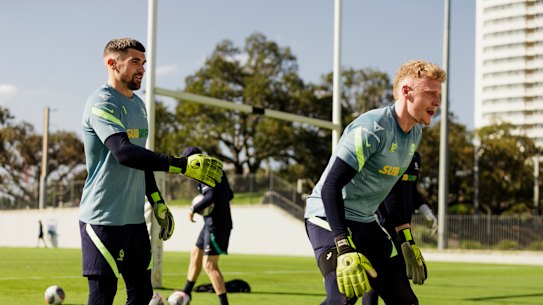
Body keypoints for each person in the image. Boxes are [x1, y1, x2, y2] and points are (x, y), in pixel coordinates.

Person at [79, 38, 223, 305]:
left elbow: (141, 161)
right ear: (111, 63)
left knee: (142, 294)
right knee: (102, 296)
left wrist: (156, 200)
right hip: (102, 219)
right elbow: (124, 152)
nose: (142, 69)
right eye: (135, 62)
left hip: (134, 220)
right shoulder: (101, 103)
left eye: (143, 63)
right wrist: (181, 166)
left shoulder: (138, 105)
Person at [304, 60, 446, 305]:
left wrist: (405, 239)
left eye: (439, 95)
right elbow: (331, 186)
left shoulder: (414, 134)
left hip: (365, 222)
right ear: (406, 92)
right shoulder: (373, 128)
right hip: (328, 219)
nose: (438, 102)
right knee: (345, 297)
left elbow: (394, 193)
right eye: (431, 93)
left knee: (405, 301)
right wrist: (343, 246)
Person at [362, 151, 438, 305]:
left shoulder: (416, 157)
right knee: (375, 277)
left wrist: (424, 208)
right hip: (382, 227)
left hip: (403, 230)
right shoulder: (387, 155)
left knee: (395, 278)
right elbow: (383, 191)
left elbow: (411, 189)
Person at [180, 147, 234, 305]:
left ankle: (224, 303)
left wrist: (195, 209)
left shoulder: (206, 171)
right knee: (196, 254)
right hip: (210, 223)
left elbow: (211, 195)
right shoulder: (215, 170)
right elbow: (229, 194)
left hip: (217, 225)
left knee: (209, 265)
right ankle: (186, 293)